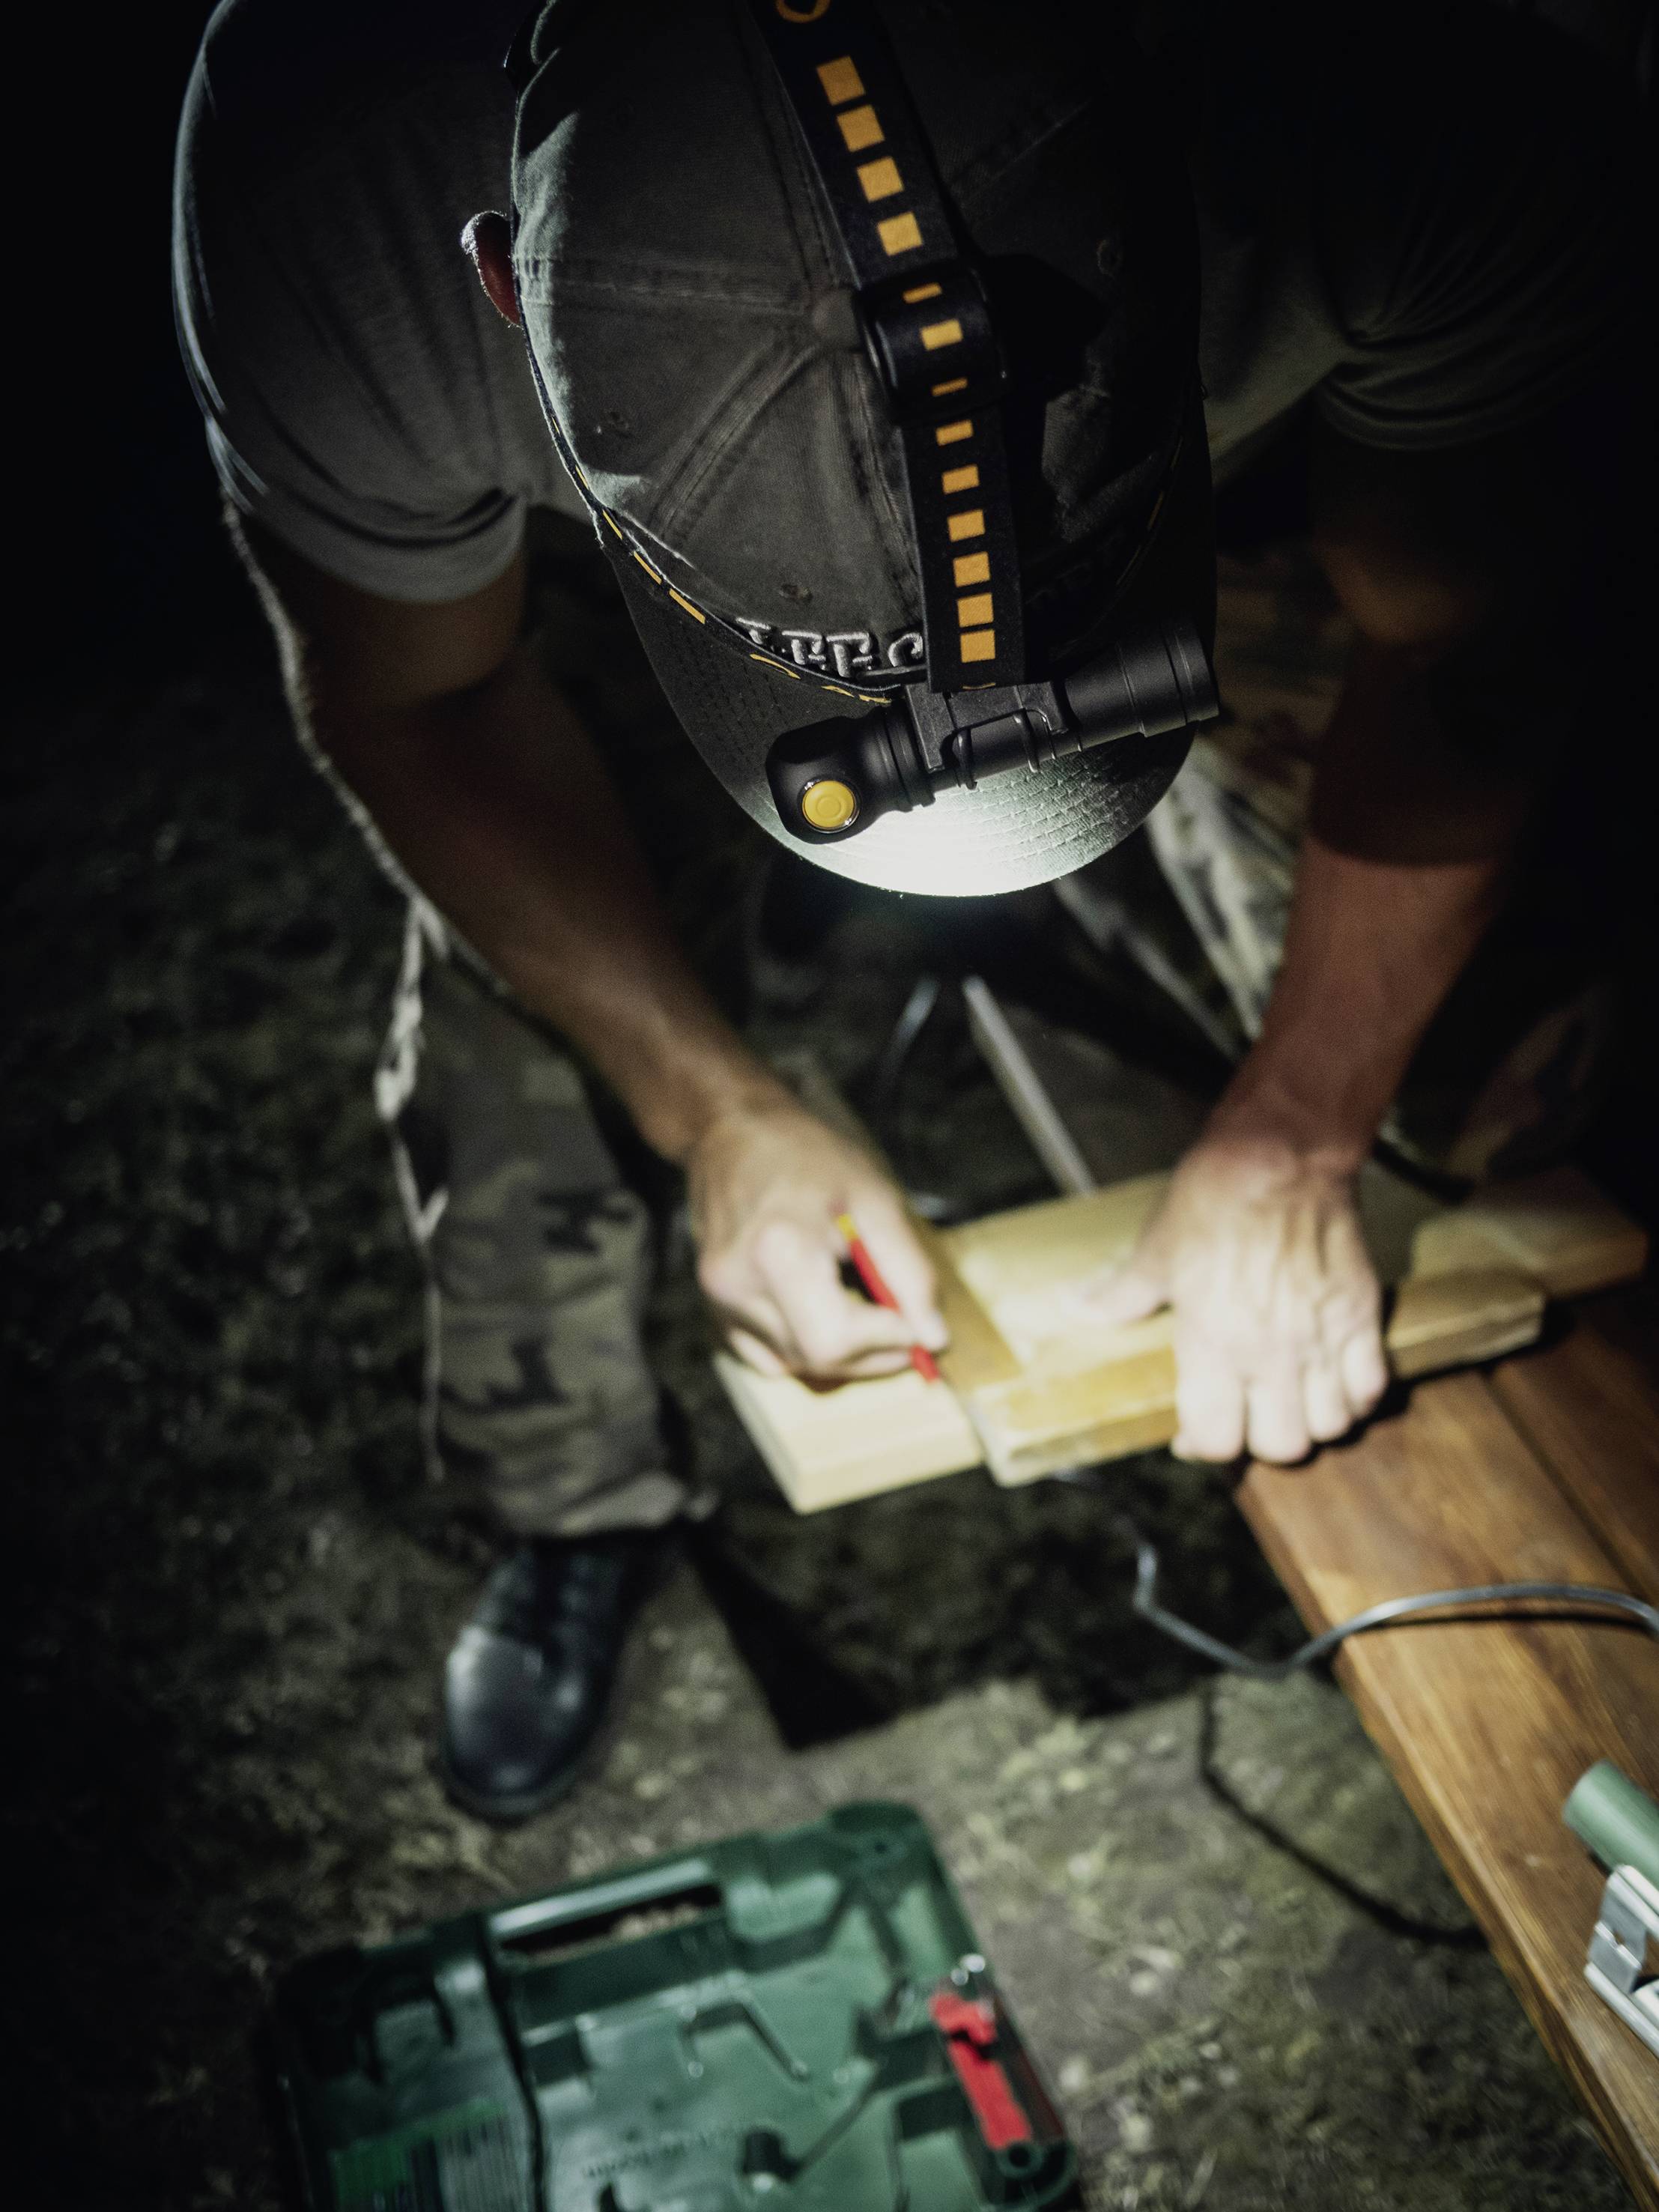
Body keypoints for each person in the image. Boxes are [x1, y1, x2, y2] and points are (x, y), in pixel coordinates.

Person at [173, 0, 1637, 1819]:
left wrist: (1300, 1131)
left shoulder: (1417, 103)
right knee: (521, 1004)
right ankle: (573, 1504)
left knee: (1483, 1093)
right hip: (596, 585)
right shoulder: (333, 190)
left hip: (1268, 485)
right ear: (500, 294)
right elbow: (425, 705)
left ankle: (1160, 998)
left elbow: (1473, 647)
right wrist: (712, 1113)